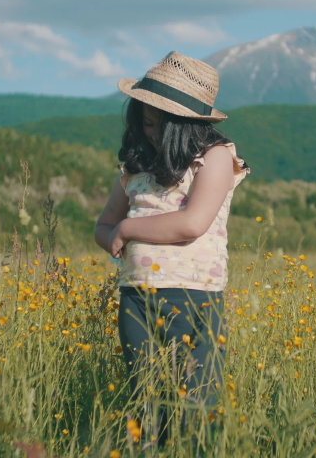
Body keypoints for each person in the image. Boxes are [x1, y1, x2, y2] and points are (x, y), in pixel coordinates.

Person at [94, 51, 250, 445]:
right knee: (147, 402)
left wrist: (128, 228)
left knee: (196, 404)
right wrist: (113, 235)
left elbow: (192, 223)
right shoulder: (136, 169)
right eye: (145, 122)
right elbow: (104, 226)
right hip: (136, 297)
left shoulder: (214, 158)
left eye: (158, 125)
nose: (149, 132)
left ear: (185, 126)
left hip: (193, 297)